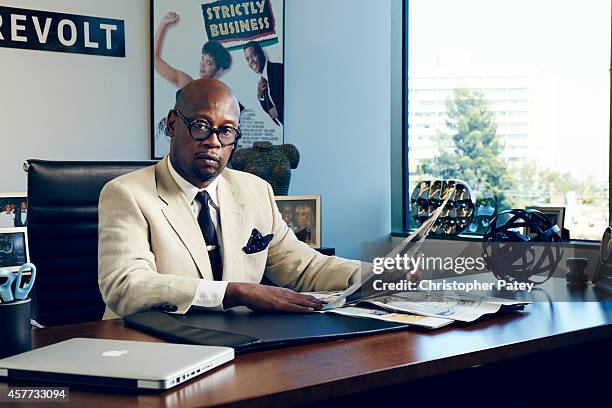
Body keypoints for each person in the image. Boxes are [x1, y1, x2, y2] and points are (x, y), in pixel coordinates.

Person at [98, 78, 360, 319]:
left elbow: (305, 267)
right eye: (201, 126)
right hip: (150, 345)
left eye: (226, 131)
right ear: (172, 124)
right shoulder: (126, 193)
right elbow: (126, 285)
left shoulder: (256, 191)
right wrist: (235, 292)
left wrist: (384, 275)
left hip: (236, 343)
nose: (214, 142)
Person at [154, 11, 232, 88]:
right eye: (203, 59)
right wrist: (163, 24)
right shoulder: (187, 83)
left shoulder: (224, 95)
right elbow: (154, 59)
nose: (202, 65)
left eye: (209, 63)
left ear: (219, 70)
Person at [244, 41, 284, 125]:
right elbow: (270, 109)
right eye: (248, 59)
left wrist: (279, 110)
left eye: (253, 55)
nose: (251, 61)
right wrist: (260, 96)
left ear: (261, 54)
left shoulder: (279, 69)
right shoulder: (263, 79)